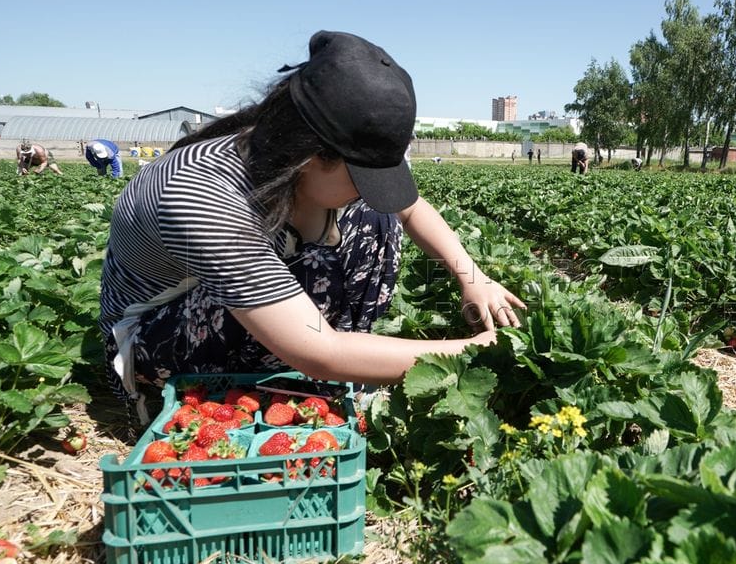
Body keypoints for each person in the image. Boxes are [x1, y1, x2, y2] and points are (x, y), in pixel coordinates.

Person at [99, 30, 526, 423]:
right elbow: (320, 351)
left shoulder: (328, 147)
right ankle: (300, 383)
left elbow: (410, 208)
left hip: (262, 316)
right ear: (311, 157)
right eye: (360, 178)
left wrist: (474, 277)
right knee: (325, 287)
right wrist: (475, 351)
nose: (364, 189)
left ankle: (340, 374)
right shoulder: (202, 194)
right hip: (157, 337)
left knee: (377, 215)